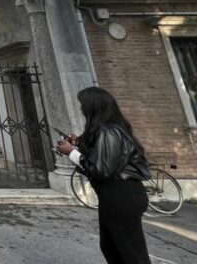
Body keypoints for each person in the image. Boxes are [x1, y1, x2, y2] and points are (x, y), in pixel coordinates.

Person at [56, 87, 151, 264]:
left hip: (121, 196)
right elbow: (103, 157)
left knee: (129, 253)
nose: (81, 109)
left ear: (93, 107)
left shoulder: (109, 131)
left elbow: (100, 169)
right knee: (112, 248)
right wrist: (79, 143)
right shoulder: (109, 130)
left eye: (83, 105)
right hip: (114, 196)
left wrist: (71, 152)